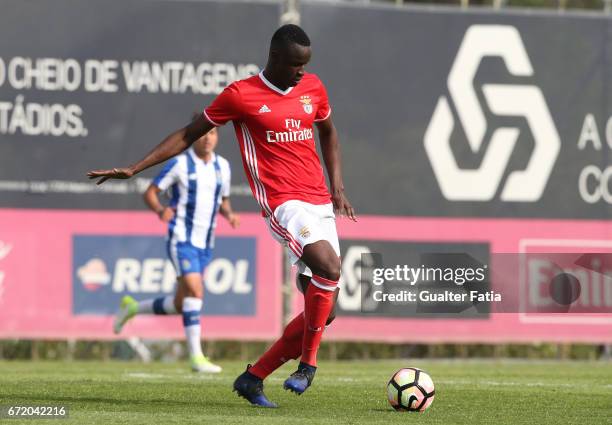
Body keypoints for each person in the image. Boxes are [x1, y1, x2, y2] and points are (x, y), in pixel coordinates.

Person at [88, 24, 356, 407]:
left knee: (324, 310)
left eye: (305, 65)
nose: (301, 72)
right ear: (275, 57)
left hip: (319, 203)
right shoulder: (242, 95)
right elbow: (188, 133)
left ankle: (253, 378)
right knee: (328, 268)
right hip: (283, 202)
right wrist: (135, 167)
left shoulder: (313, 87)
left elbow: (328, 132)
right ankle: (308, 366)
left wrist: (338, 188)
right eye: (295, 64)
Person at [112, 121, 239, 373]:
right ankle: (196, 358)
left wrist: (230, 214)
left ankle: (133, 308)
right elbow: (150, 192)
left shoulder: (222, 167)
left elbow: (222, 199)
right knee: (196, 290)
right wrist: (160, 210)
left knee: (182, 304)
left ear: (217, 137)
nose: (207, 138)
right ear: (195, 138)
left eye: (212, 133)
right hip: (181, 238)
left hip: (205, 243)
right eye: (202, 134)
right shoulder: (180, 164)